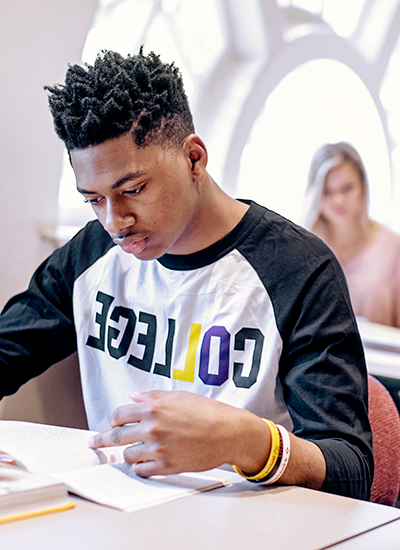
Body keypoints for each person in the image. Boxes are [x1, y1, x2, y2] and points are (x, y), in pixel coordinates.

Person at [0, 50, 372, 500]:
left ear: (194, 158)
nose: (115, 221)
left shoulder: (298, 270)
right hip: (118, 519)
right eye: (94, 200)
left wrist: (248, 441)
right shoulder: (91, 255)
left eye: (133, 190)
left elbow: (352, 470)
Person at [302, 142, 400, 328]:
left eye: (347, 188)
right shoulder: (304, 249)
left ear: (363, 186)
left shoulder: (394, 248)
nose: (338, 200)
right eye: (327, 191)